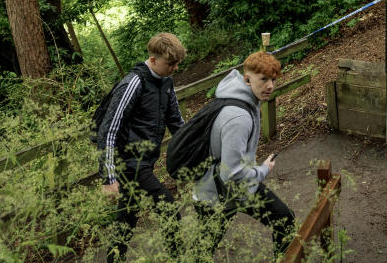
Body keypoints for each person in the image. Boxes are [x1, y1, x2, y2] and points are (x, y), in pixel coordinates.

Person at [193, 52, 296, 258]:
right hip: (218, 193)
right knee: (202, 251)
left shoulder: (241, 100)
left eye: (273, 79)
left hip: (229, 188)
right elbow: (231, 174)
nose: (270, 86)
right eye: (264, 79)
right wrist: (263, 170)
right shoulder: (238, 116)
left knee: (284, 218)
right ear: (247, 79)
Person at [96, 32, 187, 262]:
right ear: (154, 60)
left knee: (127, 218)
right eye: (171, 64)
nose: (175, 68)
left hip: (146, 161)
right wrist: (108, 177)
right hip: (130, 163)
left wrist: (193, 146)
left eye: (177, 63)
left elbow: (175, 120)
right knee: (167, 208)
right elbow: (109, 129)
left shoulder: (166, 81)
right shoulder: (133, 83)